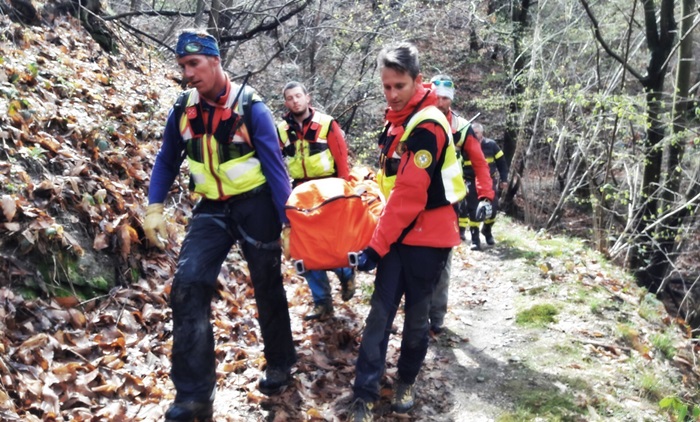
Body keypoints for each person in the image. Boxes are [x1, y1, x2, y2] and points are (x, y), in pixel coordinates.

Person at [142, 29, 296, 422]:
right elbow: (166, 159)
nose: (188, 73)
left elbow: (277, 170)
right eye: (182, 66)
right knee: (188, 285)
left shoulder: (251, 108)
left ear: (215, 61)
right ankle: (194, 395)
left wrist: (289, 222)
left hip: (256, 204)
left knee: (266, 284)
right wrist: (153, 207)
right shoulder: (183, 109)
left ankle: (279, 363)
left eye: (194, 64)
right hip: (211, 207)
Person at [347, 42, 467, 422]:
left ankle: (406, 381)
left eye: (399, 85)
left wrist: (374, 247)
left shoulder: (427, 125)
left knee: (416, 320)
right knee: (379, 317)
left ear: (417, 80)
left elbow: (410, 195)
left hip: (428, 241)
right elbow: (389, 187)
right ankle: (363, 395)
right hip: (398, 237)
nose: (392, 94)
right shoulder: (396, 122)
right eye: (386, 86)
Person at [277, 81, 355, 321]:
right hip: (300, 191)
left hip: (328, 189)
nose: (295, 101)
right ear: (286, 102)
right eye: (290, 98)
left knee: (333, 244)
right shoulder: (281, 130)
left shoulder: (327, 124)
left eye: (298, 96)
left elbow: (341, 159)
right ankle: (322, 302)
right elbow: (275, 162)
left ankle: (346, 274)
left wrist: (345, 191)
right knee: (304, 248)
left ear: (307, 97)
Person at [427, 74, 494, 334]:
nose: (440, 101)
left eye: (445, 97)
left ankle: (437, 315)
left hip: (446, 201)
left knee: (443, 260)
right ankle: (416, 314)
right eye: (437, 95)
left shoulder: (461, 127)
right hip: (415, 198)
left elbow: (480, 163)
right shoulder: (415, 119)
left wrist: (486, 195)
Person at [471, 122, 509, 246]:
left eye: (476, 132)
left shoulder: (491, 145)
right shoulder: (467, 145)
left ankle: (487, 230)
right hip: (471, 180)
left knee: (492, 209)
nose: (474, 135)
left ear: (481, 133)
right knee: (473, 209)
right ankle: (475, 240)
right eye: (473, 133)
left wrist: (504, 179)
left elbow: (502, 163)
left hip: (489, 181)